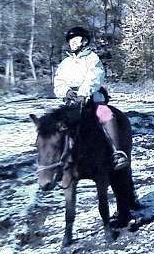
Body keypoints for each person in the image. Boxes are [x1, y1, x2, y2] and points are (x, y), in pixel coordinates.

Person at [53, 26, 129, 170]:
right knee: (55, 122)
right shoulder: (65, 64)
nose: (73, 43)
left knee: (106, 114)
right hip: (71, 101)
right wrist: (66, 92)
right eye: (71, 41)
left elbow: (94, 77)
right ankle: (56, 158)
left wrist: (83, 93)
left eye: (76, 40)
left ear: (84, 41)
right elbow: (59, 81)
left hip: (92, 98)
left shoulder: (92, 58)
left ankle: (117, 152)